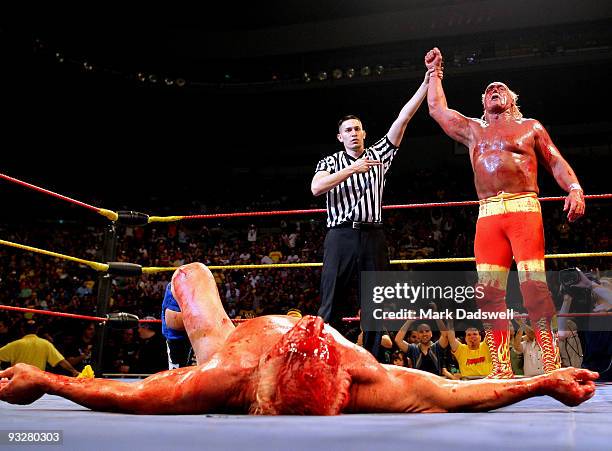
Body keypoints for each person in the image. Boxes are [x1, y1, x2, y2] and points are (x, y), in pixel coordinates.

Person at [0, 263, 597, 414]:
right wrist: (544, 381)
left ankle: (175, 327)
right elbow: (454, 393)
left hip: (229, 342)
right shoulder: (369, 376)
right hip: (252, 351)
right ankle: (177, 323)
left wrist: (43, 383)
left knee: (190, 277)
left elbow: (126, 396)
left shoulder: (224, 376)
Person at [425, 47, 585, 378]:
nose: (493, 90)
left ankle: (551, 362)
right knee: (488, 293)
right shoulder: (473, 130)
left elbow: (554, 160)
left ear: (512, 98)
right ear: (483, 103)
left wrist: (574, 188)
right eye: (488, 90)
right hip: (488, 213)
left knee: (534, 289)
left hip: (523, 207)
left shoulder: (530, 127)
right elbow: (438, 110)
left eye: (500, 88)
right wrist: (435, 74)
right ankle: (501, 367)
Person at [311, 68, 433, 358]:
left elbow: (402, 120)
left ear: (364, 133)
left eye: (357, 129)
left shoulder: (378, 155)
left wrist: (426, 83)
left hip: (373, 235)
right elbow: (316, 188)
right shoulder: (330, 161)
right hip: (340, 235)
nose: (353, 133)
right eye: (348, 130)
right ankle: (328, 359)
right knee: (331, 303)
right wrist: (352, 169)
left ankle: (374, 362)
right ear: (340, 137)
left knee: (376, 302)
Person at [0, 320, 79, 377]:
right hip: (37, 383)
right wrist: (73, 371)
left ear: (22, 330)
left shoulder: (15, 344)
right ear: (37, 330)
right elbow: (61, 361)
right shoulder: (45, 344)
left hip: (17, 382)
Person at [161, 283, 194, 369]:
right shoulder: (178, 284)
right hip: (179, 340)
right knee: (178, 376)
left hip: (197, 338)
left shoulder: (205, 283)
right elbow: (173, 320)